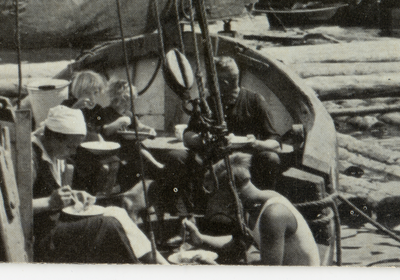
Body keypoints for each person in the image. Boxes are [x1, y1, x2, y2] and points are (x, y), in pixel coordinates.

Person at [31, 105, 166, 264]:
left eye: (76, 147)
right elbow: (16, 210)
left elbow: (53, 193)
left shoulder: (55, 153)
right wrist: (49, 202)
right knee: (107, 225)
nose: (73, 153)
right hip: (42, 237)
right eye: (70, 146)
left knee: (117, 213)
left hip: (56, 225)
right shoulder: (31, 158)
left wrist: (74, 194)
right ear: (53, 137)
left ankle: (163, 266)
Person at [182, 153, 319, 266]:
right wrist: (201, 238)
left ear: (231, 193)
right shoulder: (252, 206)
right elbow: (236, 243)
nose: (213, 204)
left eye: (215, 196)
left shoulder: (272, 214)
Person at [183, 56, 283, 189]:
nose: (206, 85)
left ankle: (257, 203)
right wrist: (204, 140)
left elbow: (275, 144)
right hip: (213, 161)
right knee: (180, 157)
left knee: (271, 158)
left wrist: (254, 143)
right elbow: (187, 136)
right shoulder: (206, 103)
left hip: (245, 163)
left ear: (224, 84)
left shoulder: (254, 101)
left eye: (210, 81)